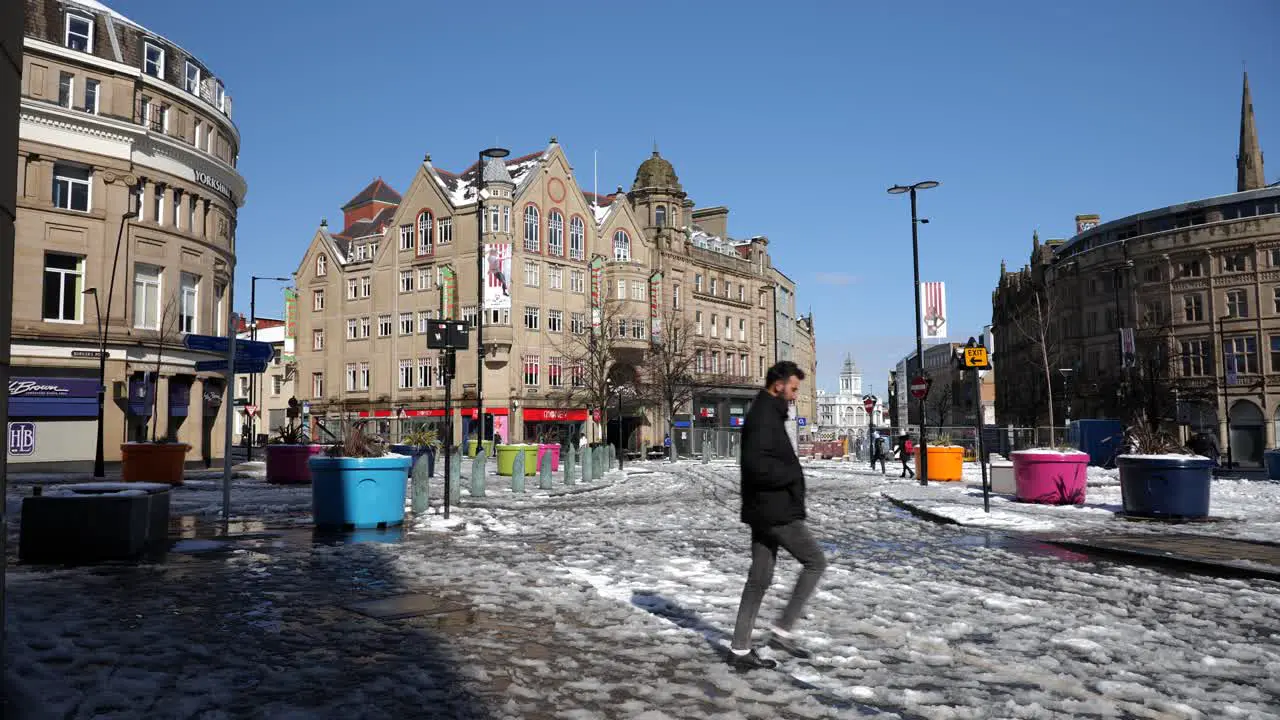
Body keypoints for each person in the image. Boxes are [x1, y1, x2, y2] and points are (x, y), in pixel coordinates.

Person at [729, 361, 828, 671]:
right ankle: (783, 631)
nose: (795, 395)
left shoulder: (768, 412)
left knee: (759, 579)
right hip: (775, 511)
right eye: (793, 388)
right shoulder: (764, 417)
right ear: (778, 385)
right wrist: (792, 474)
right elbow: (757, 467)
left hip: (764, 510)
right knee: (815, 561)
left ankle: (740, 650)